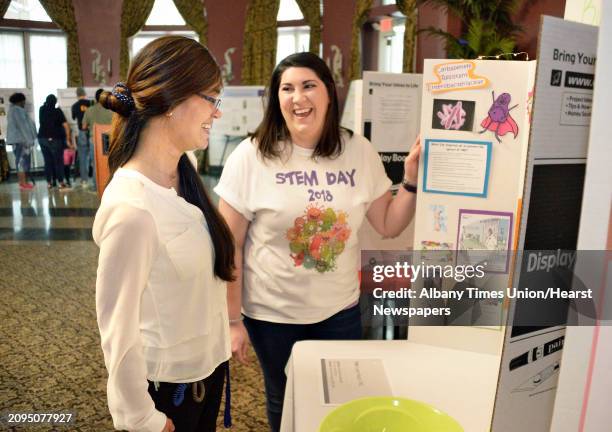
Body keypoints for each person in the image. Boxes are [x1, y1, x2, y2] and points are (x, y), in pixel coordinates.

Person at [214, 52, 421, 431]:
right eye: (287, 88)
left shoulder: (358, 150)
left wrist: (409, 181)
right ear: (276, 99)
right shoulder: (252, 156)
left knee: (339, 402)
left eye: (309, 85)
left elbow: (389, 223)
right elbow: (230, 247)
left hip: (339, 311)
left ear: (328, 94)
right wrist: (231, 321)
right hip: (271, 314)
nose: (298, 97)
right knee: (285, 398)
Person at [93, 36, 235, 432]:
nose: (216, 113)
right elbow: (117, 329)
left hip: (206, 373)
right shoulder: (133, 210)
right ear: (172, 102)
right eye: (212, 99)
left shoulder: (182, 170)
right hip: (167, 394)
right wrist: (141, 417)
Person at [38, 94, 72, 189]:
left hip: (42, 138)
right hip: (55, 139)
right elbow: (66, 126)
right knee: (58, 161)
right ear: (55, 102)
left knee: (48, 161)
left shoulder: (41, 109)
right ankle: (61, 182)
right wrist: (68, 139)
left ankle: (49, 183)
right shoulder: (57, 111)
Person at [82, 88, 112, 190]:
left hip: (94, 140)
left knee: (95, 164)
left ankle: (97, 186)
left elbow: (84, 127)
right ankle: (110, 186)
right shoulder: (111, 109)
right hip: (109, 139)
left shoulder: (89, 110)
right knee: (110, 163)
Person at [6, 92, 37, 190]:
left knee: (20, 161)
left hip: (18, 141)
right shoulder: (18, 111)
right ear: (20, 101)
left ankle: (22, 183)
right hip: (22, 141)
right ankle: (23, 183)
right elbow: (23, 126)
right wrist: (29, 140)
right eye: (24, 101)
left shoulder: (12, 110)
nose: (24, 103)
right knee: (22, 162)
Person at [71, 87, 91, 187]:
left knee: (83, 157)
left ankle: (84, 181)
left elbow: (74, 117)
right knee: (94, 156)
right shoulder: (91, 103)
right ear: (85, 93)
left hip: (82, 133)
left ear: (77, 95)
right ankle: (98, 179)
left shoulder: (75, 105)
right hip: (92, 131)